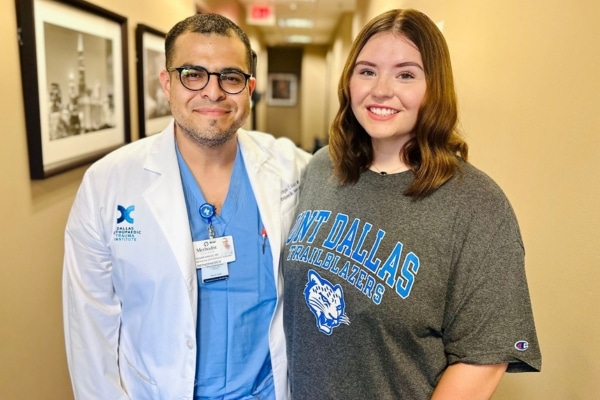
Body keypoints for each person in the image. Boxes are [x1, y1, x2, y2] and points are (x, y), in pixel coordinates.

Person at [282, 8, 541, 400]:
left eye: (405, 74)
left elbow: (481, 360)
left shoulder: (477, 206)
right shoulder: (322, 169)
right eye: (366, 71)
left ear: (434, 87)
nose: (381, 89)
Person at [63, 13, 311, 400]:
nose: (213, 93)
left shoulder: (291, 166)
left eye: (230, 77)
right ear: (167, 83)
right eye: (193, 74)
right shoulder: (107, 183)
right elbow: (89, 328)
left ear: (250, 89)